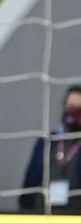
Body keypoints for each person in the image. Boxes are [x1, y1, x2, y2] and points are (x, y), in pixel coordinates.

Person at [20, 85, 81, 213]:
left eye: (78, 109)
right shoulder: (47, 142)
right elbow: (30, 182)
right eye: (70, 108)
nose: (74, 114)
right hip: (43, 217)